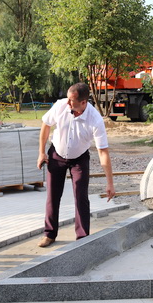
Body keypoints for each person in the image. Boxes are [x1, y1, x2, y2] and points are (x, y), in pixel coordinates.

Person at [36, 83, 115, 247]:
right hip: (56, 154)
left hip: (79, 159)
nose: (68, 103)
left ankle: (82, 237)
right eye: (68, 99)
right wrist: (42, 153)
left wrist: (110, 183)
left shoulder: (95, 120)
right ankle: (49, 234)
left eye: (72, 101)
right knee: (52, 195)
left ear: (83, 102)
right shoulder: (60, 106)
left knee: (80, 196)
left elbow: (103, 152)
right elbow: (46, 125)